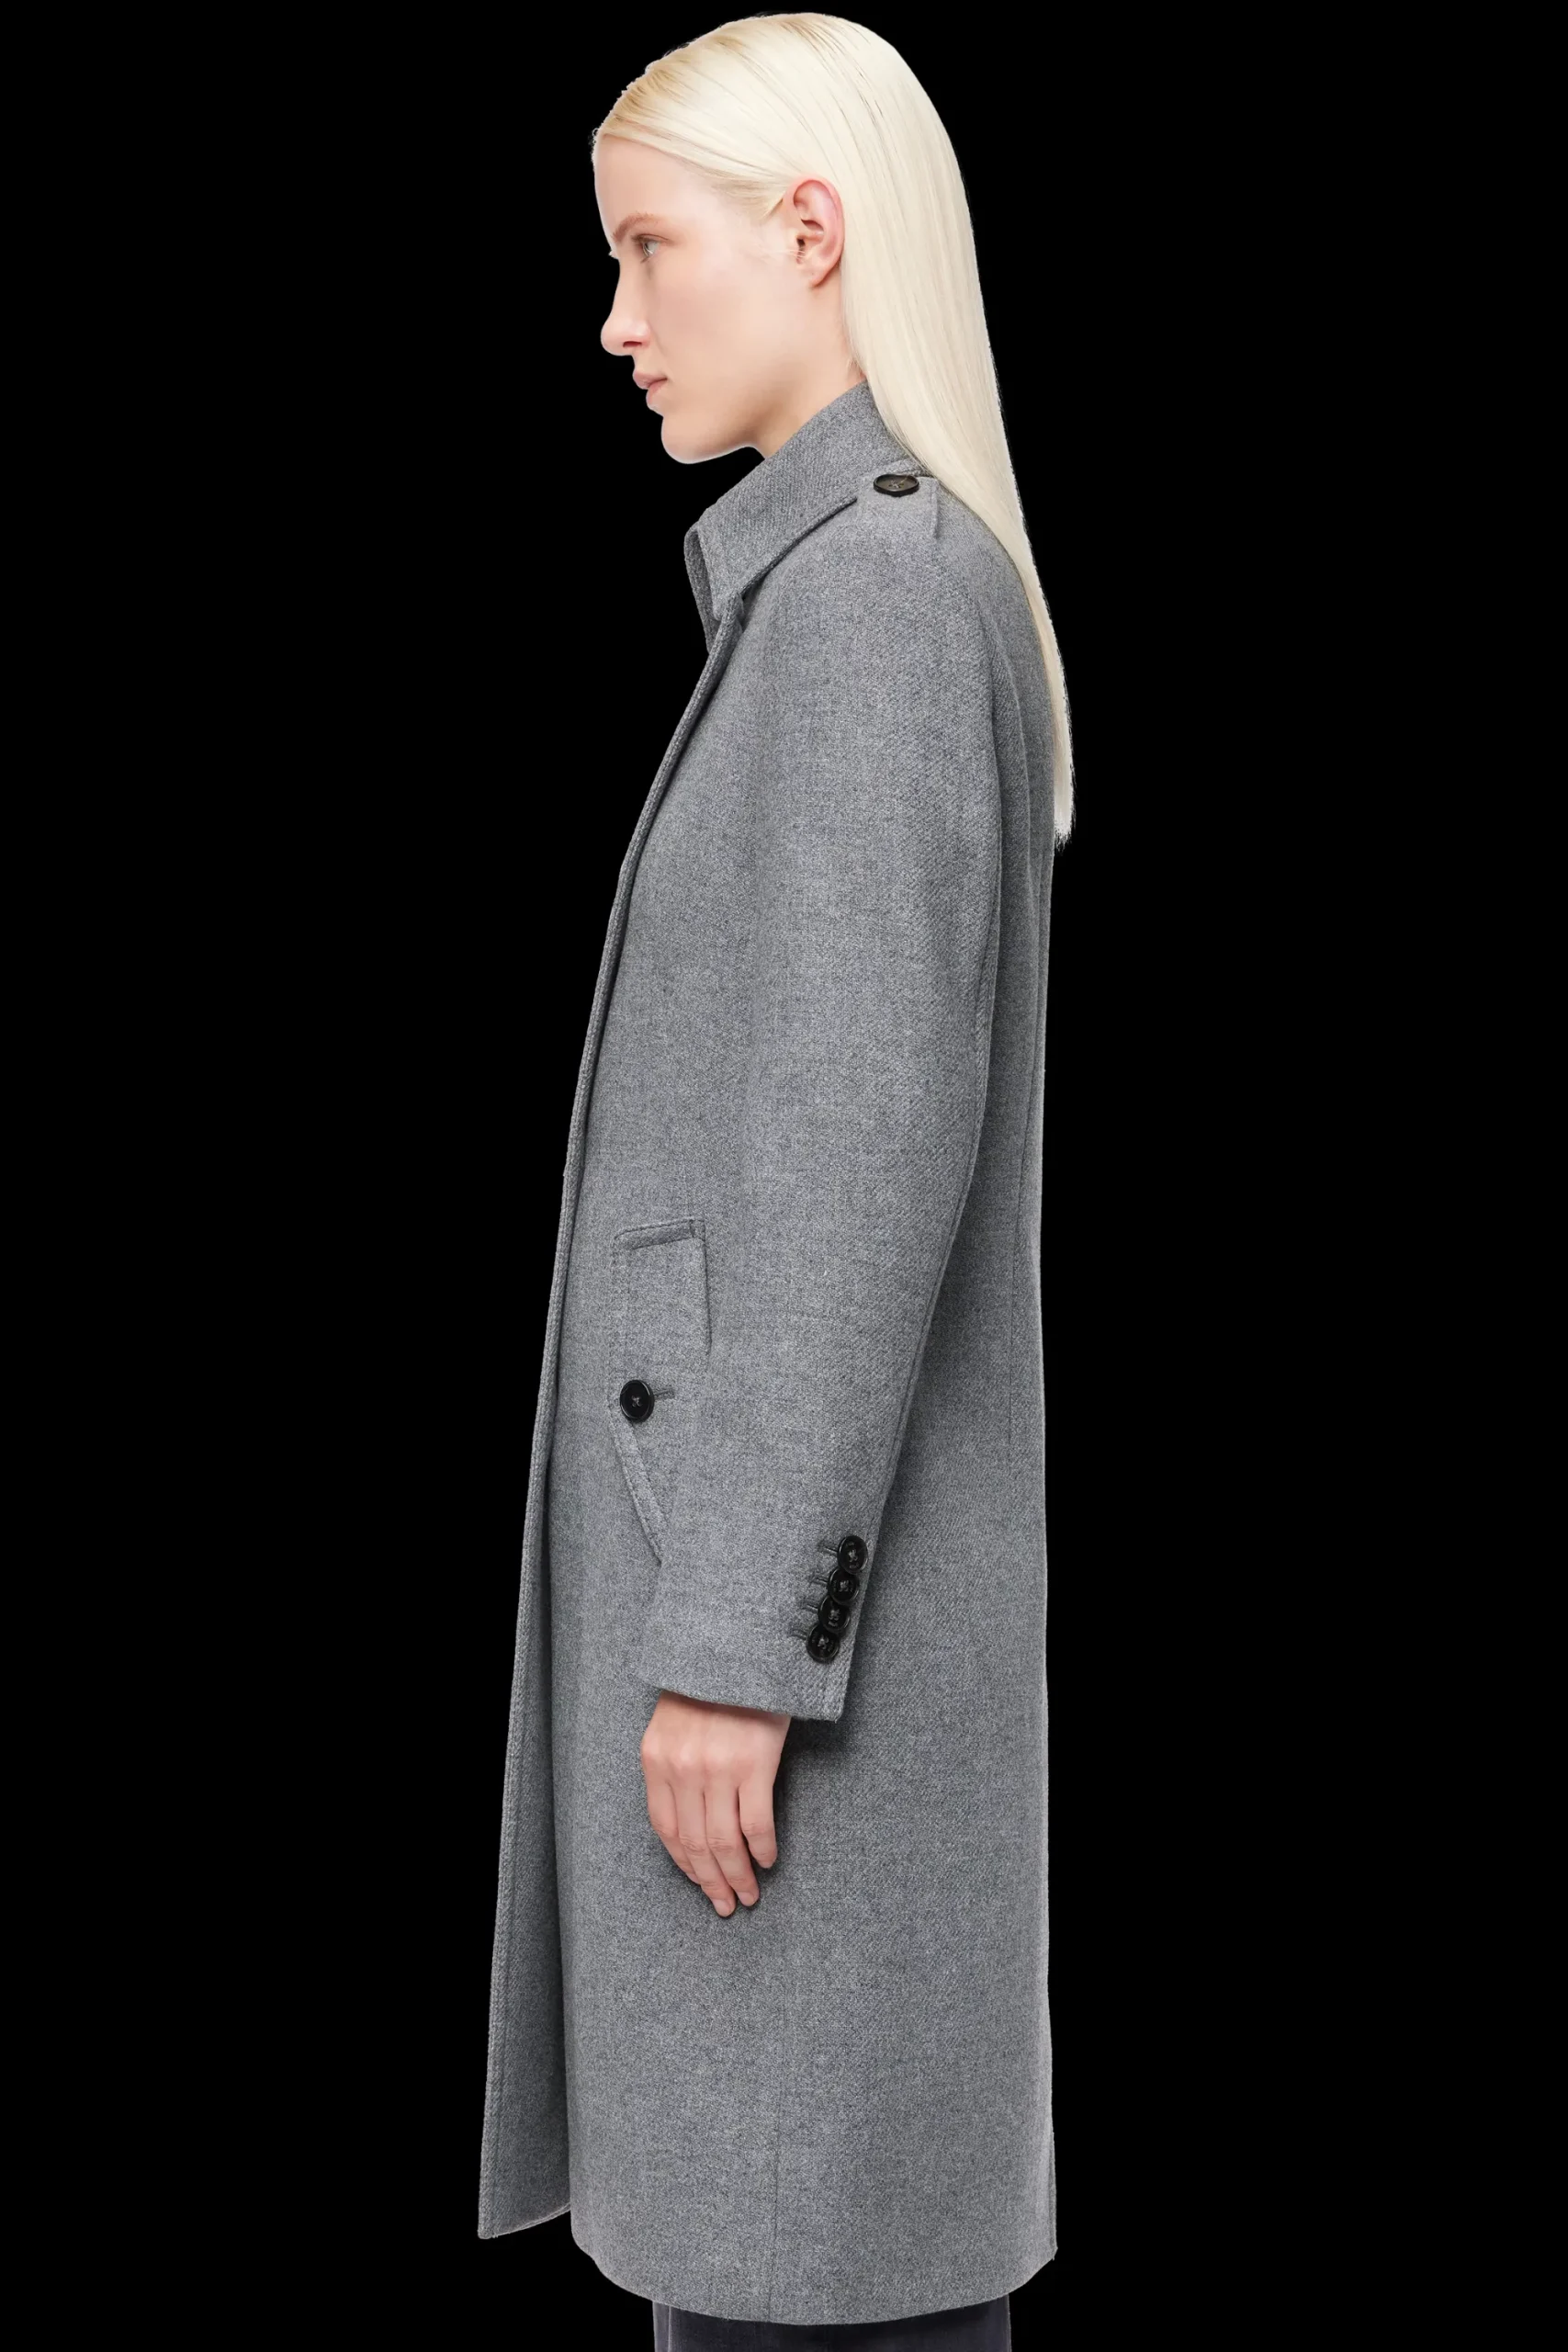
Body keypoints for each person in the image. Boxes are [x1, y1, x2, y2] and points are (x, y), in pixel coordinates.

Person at [478, 17, 1073, 2348]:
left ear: (808, 233)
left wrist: (732, 1648)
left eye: (650, 249)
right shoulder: (843, 586)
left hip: (787, 1672)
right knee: (782, 2263)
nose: (616, 319)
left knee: (809, 2281)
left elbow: (851, 1160)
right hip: (791, 1630)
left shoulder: (877, 601)